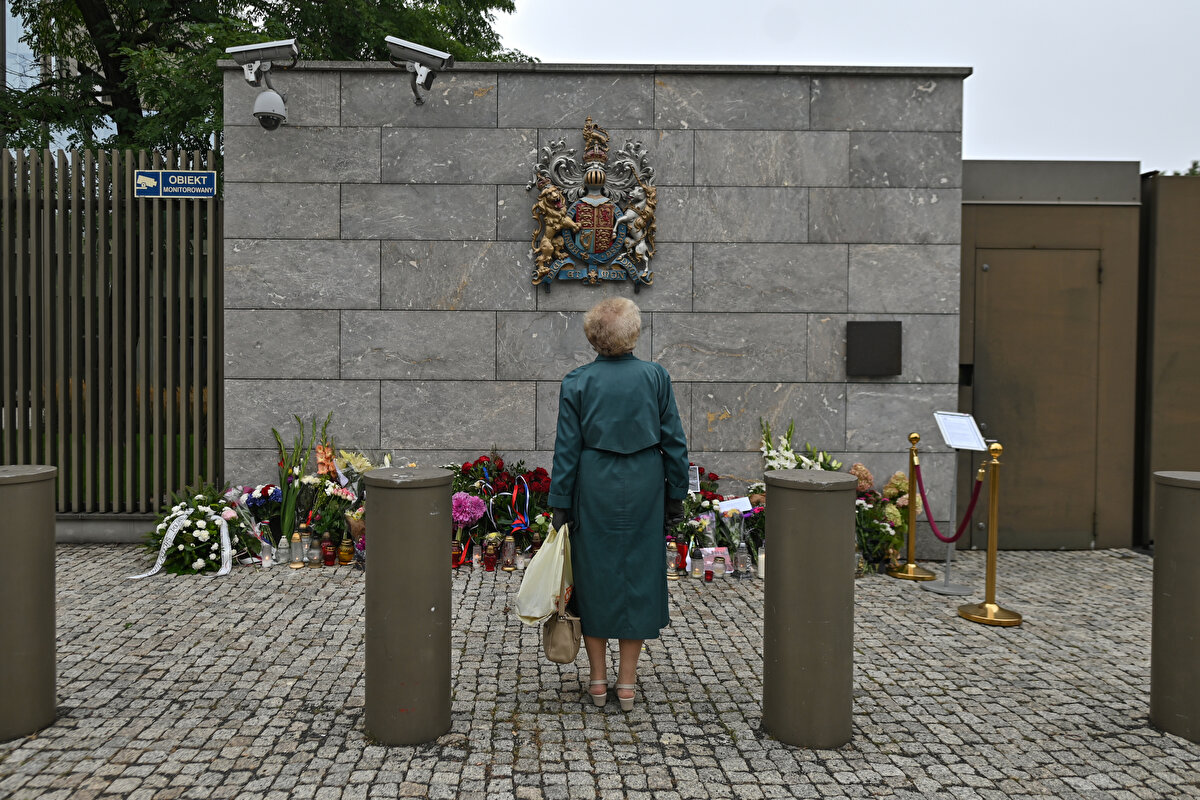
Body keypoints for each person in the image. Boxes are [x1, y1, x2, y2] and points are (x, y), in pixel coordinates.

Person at [548, 297, 689, 711]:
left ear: (594, 337)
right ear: (634, 333)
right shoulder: (656, 377)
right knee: (639, 580)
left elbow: (566, 450)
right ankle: (626, 687)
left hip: (594, 487)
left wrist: (559, 504)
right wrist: (676, 495)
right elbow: (675, 442)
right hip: (646, 485)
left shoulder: (576, 382)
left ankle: (596, 681)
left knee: (594, 579)